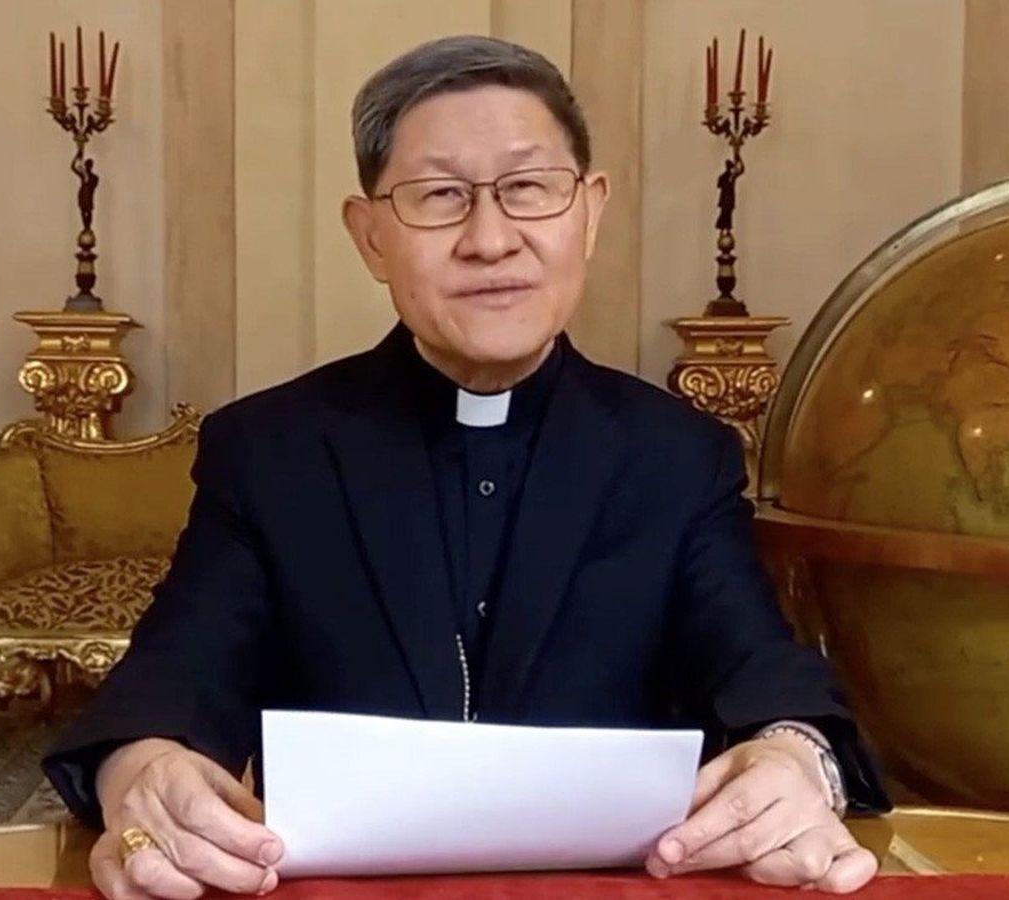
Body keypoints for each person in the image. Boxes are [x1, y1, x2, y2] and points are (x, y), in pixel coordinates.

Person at [43, 34, 889, 900]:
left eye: (527, 188)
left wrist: (797, 757)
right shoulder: (272, 451)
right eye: (440, 197)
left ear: (589, 211)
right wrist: (141, 770)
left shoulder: (675, 457)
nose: (491, 239)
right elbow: (177, 675)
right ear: (370, 237)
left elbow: (758, 665)